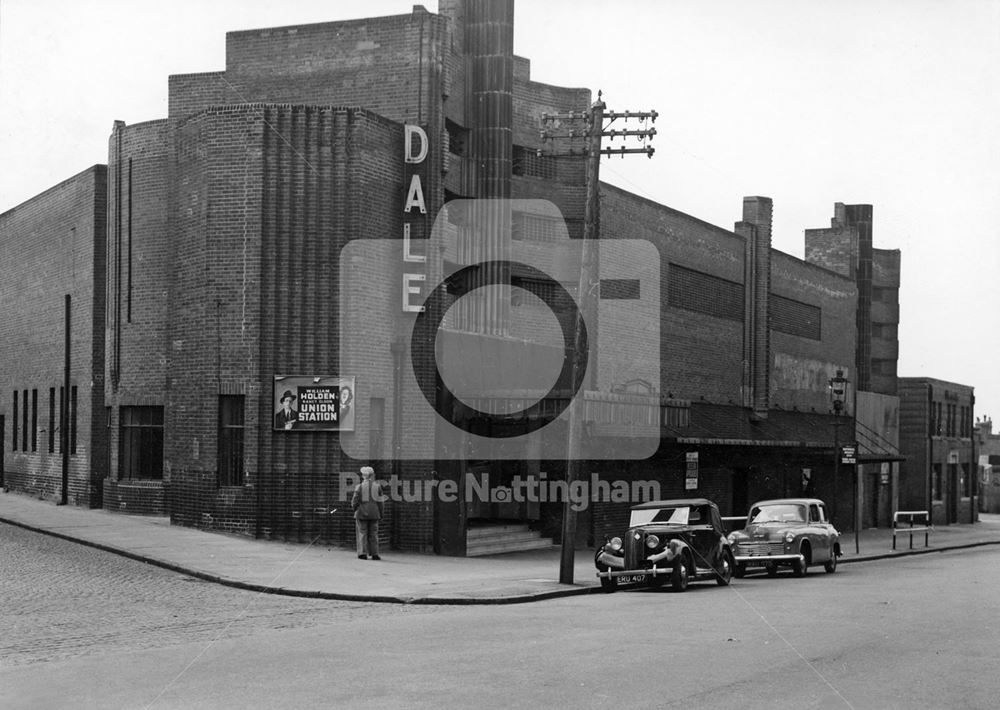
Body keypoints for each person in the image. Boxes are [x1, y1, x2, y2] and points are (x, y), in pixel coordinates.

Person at [352, 466, 384, 560]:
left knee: (362, 533)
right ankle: (375, 553)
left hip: (361, 513)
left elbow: (354, 501)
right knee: (373, 534)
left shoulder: (359, 487)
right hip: (374, 513)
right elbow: (381, 502)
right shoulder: (377, 486)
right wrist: (381, 513)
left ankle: (363, 553)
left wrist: (355, 509)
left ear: (363, 476)